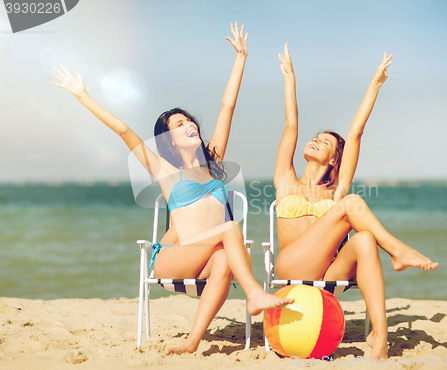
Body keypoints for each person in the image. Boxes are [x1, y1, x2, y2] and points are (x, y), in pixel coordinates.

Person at [51, 23, 293, 356]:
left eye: (188, 120)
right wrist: (82, 94)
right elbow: (124, 131)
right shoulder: (165, 170)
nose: (189, 124)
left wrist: (241, 58)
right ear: (169, 139)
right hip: (172, 259)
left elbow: (228, 107)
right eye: (179, 125)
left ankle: (192, 341)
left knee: (225, 259)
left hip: (206, 257)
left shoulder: (212, 161)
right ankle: (254, 293)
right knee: (228, 227)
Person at [273, 44, 438, 360]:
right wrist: (289, 77)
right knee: (351, 203)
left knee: (363, 239)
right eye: (316, 137)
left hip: (329, 272)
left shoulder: (336, 191)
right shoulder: (286, 181)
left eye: (324, 142)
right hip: (292, 266)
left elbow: (356, 131)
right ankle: (398, 250)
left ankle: (380, 337)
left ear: (335, 158)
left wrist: (376, 83)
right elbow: (291, 124)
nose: (315, 140)